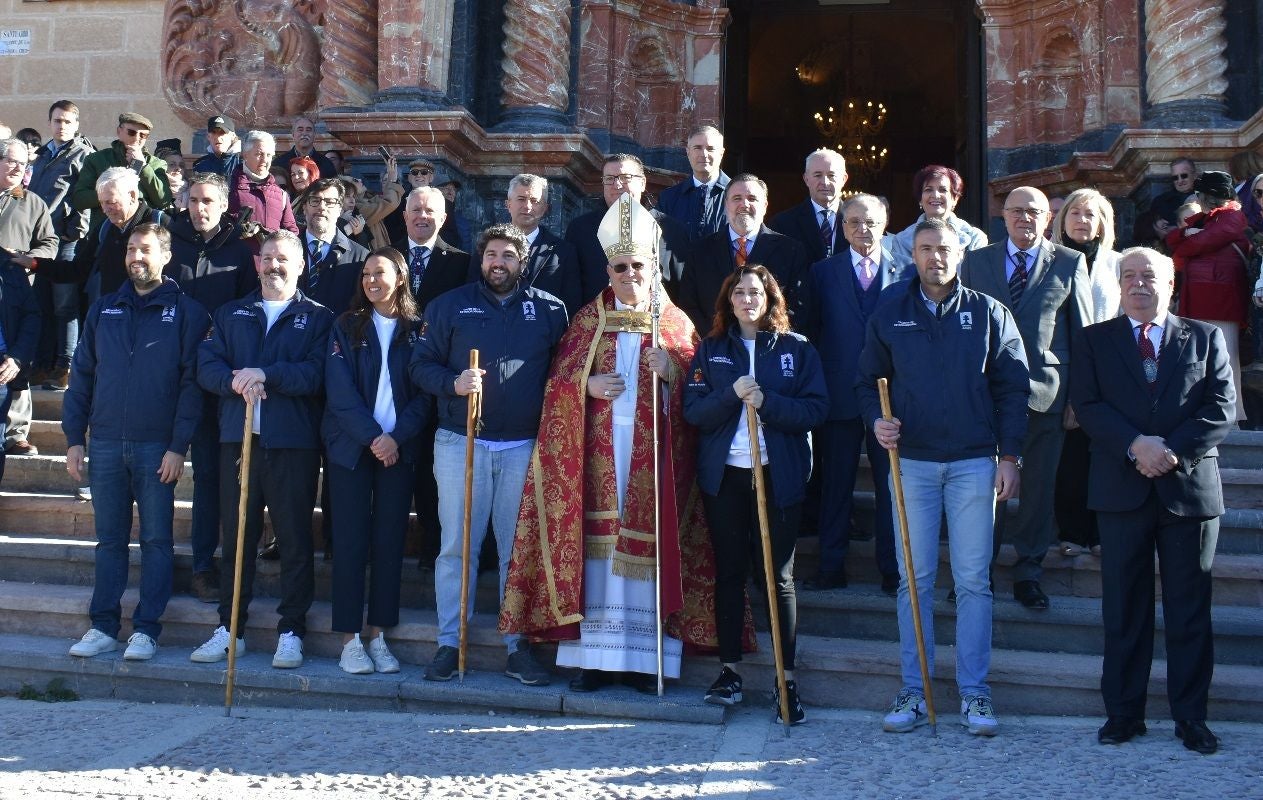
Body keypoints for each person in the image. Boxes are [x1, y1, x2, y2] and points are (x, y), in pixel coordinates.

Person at [500, 192, 734, 693]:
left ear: (654, 267)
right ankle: (595, 662)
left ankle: (648, 662)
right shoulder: (587, 320)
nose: (630, 275)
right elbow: (554, 384)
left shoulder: (675, 324)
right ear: (608, 270)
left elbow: (700, 388)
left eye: (638, 266)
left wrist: (672, 370)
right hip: (597, 460)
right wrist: (585, 386)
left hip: (655, 462)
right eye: (620, 266)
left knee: (649, 552)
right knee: (599, 556)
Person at [858, 217, 1030, 737]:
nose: (935, 257)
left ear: (961, 254)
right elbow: (867, 383)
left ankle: (976, 694)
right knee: (916, 581)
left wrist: (1010, 456)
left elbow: (1013, 390)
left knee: (975, 581)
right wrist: (876, 420)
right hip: (911, 462)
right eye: (926, 248)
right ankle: (916, 689)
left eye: (944, 249)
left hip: (975, 461)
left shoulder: (990, 313)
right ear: (913, 254)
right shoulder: (889, 311)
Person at [1071, 247, 1235, 755]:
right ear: (1119, 286)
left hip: (1187, 491)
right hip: (1122, 490)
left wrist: (1169, 451)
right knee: (1124, 608)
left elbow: (1222, 407)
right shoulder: (1095, 340)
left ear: (1171, 284)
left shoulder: (1205, 337)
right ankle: (1123, 714)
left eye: (1150, 276)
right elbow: (1088, 404)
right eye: (1130, 277)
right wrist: (1134, 446)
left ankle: (1191, 717)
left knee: (1189, 611)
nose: (1140, 284)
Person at [409, 223, 568, 684]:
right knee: (457, 547)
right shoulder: (449, 306)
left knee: (517, 553)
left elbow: (567, 370)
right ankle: (448, 642)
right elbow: (420, 365)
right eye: (491, 254)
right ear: (481, 259)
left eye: (508, 256)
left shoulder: (551, 310)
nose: (498, 263)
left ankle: (516, 645)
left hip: (523, 445)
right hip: (461, 442)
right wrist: (453, 383)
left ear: (524, 262)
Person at [683, 264, 828, 724]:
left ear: (770, 299)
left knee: (778, 579)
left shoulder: (796, 350)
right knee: (729, 573)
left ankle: (786, 680)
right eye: (739, 292)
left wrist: (769, 403)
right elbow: (694, 411)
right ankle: (729, 672)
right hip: (726, 477)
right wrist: (731, 395)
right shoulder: (710, 350)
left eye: (756, 292)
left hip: (777, 475)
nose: (747, 299)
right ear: (728, 301)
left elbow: (816, 408)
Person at [63, 223, 208, 662]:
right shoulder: (104, 308)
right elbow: (81, 376)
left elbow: (191, 385)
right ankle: (103, 625)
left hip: (156, 448)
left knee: (157, 542)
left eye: (145, 249)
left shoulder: (188, 312)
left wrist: (178, 446)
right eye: (130, 249)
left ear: (165, 256)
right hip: (105, 443)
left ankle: (146, 629)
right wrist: (74, 439)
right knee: (109, 541)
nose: (136, 257)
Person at [191, 230, 334, 670]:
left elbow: (316, 374)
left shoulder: (319, 318)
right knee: (237, 538)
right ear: (257, 264)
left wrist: (266, 374)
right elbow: (207, 364)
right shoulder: (233, 313)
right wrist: (235, 380)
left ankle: (291, 629)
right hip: (239, 439)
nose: (273, 265)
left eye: (283, 259)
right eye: (267, 257)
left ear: (300, 265)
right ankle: (230, 627)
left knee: (293, 539)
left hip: (293, 443)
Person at [960, 185, 1091, 611]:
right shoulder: (976, 262)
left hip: (1047, 394)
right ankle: (979, 571)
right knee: (984, 488)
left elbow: (1082, 335)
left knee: (1037, 488)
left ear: (1047, 218)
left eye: (1033, 212)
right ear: (1003, 215)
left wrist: (1079, 399)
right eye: (1016, 211)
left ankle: (1029, 571)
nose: (1025, 219)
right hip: (986, 395)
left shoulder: (1070, 263)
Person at [324, 247, 429, 675]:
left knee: (389, 544)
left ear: (399, 278)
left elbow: (425, 393)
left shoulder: (418, 330)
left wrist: (395, 438)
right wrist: (373, 438)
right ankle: (349, 639)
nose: (370, 280)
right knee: (350, 543)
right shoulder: (345, 326)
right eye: (365, 273)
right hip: (352, 450)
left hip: (398, 452)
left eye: (379, 272)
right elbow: (339, 392)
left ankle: (379, 634)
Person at [801, 193, 911, 594]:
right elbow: (813, 331)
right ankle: (831, 567)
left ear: (885, 222)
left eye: (870, 222)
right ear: (842, 227)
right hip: (839, 392)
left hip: (890, 395)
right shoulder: (822, 272)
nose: (862, 230)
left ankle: (892, 570)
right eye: (853, 222)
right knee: (836, 482)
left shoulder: (908, 270)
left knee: (890, 484)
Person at [166, 171, 258, 602]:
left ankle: (204, 565)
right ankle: (158, 558)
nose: (200, 209)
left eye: (209, 201)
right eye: (195, 200)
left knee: (207, 476)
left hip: (215, 381)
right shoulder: (169, 244)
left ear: (224, 205)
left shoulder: (240, 253)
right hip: (167, 376)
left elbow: (245, 312)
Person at [393, 185, 469, 566]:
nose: (423, 216)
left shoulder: (462, 264)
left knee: (431, 467)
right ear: (405, 215)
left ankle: (432, 545)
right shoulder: (385, 259)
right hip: (390, 376)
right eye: (416, 209)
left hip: (439, 378)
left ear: (443, 218)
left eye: (431, 211)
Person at [1048, 187, 1122, 558]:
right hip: (1064, 371)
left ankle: (1100, 532)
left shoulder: (1118, 263)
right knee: (1071, 458)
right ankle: (1072, 530)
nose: (1082, 220)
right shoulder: (1048, 260)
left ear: (1102, 223)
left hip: (1110, 372)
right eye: (1075, 213)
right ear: (1062, 220)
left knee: (1106, 455)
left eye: (1090, 215)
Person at [1164, 170, 1250, 424]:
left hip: (1221, 301)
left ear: (1206, 195)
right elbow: (1173, 240)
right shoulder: (1208, 219)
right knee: (1199, 359)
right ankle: (1205, 411)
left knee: (1225, 359)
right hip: (1202, 299)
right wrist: (1184, 238)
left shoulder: (1232, 217)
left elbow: (1195, 246)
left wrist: (1187, 241)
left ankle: (1231, 415)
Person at [676, 173, 809, 333]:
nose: (744, 204)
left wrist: (764, 340)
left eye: (752, 198)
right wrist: (716, 340)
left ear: (765, 205)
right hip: (714, 348)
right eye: (737, 198)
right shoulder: (700, 251)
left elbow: (799, 306)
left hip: (769, 349)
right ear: (726, 205)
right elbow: (688, 305)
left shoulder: (791, 251)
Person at [26, 100, 95, 391]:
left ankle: (65, 365)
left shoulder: (83, 154)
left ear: (76, 124)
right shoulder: (42, 155)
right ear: (50, 122)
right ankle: (43, 364)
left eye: (67, 121)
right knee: (41, 304)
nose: (62, 126)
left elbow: (83, 198)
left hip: (65, 241)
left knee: (65, 306)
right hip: (40, 240)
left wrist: (72, 232)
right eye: (57, 121)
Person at [0, 137, 61, 460]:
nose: (17, 169)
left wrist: (29, 259)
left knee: (18, 367)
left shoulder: (31, 202)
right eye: (11, 161)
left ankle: (16, 433)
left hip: (17, 296)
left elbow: (50, 242)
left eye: (23, 164)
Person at [564, 153, 690, 303]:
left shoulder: (671, 229)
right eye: (609, 179)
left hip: (656, 322)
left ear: (642, 183)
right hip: (597, 322)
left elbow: (683, 287)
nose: (617, 185)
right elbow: (570, 286)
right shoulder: (579, 229)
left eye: (625, 177)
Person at [470, 174, 581, 314]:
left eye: (535, 201)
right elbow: (472, 293)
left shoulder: (563, 252)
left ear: (545, 208)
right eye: (521, 199)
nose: (527, 206)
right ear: (508, 204)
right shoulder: (486, 246)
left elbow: (571, 304)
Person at [72, 112, 172, 220]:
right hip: (105, 228)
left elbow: (163, 200)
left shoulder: (156, 164)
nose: (137, 138)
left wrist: (143, 167)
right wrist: (110, 195)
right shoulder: (97, 160)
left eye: (143, 135)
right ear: (119, 132)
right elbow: (79, 200)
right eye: (131, 132)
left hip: (142, 229)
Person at [887, 165, 988, 267]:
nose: (935, 195)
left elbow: (978, 279)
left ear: (955, 198)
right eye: (928, 189)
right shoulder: (901, 241)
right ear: (920, 199)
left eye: (943, 190)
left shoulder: (975, 238)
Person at [299, 177, 369, 316]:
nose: (322, 207)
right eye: (315, 200)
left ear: (339, 209)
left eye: (330, 202)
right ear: (304, 207)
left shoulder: (360, 257)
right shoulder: (285, 251)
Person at [768, 149, 848, 263]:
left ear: (844, 179)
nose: (825, 182)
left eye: (831, 175)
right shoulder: (782, 224)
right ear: (806, 179)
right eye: (818, 175)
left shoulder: (859, 221)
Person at [656, 125, 730, 242]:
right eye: (697, 148)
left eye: (710, 148)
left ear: (721, 153)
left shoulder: (739, 196)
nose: (704, 154)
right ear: (688, 152)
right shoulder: (668, 198)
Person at [227, 130, 299, 248]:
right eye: (259, 154)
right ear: (245, 154)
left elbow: (291, 234)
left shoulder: (281, 195)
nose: (264, 160)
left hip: (269, 264)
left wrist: (264, 232)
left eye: (269, 155)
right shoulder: (228, 187)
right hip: (233, 264)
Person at [1151, 157, 1199, 227]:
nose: (1180, 181)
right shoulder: (1160, 202)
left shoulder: (1208, 198)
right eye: (1175, 178)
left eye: (1184, 176)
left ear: (1194, 175)